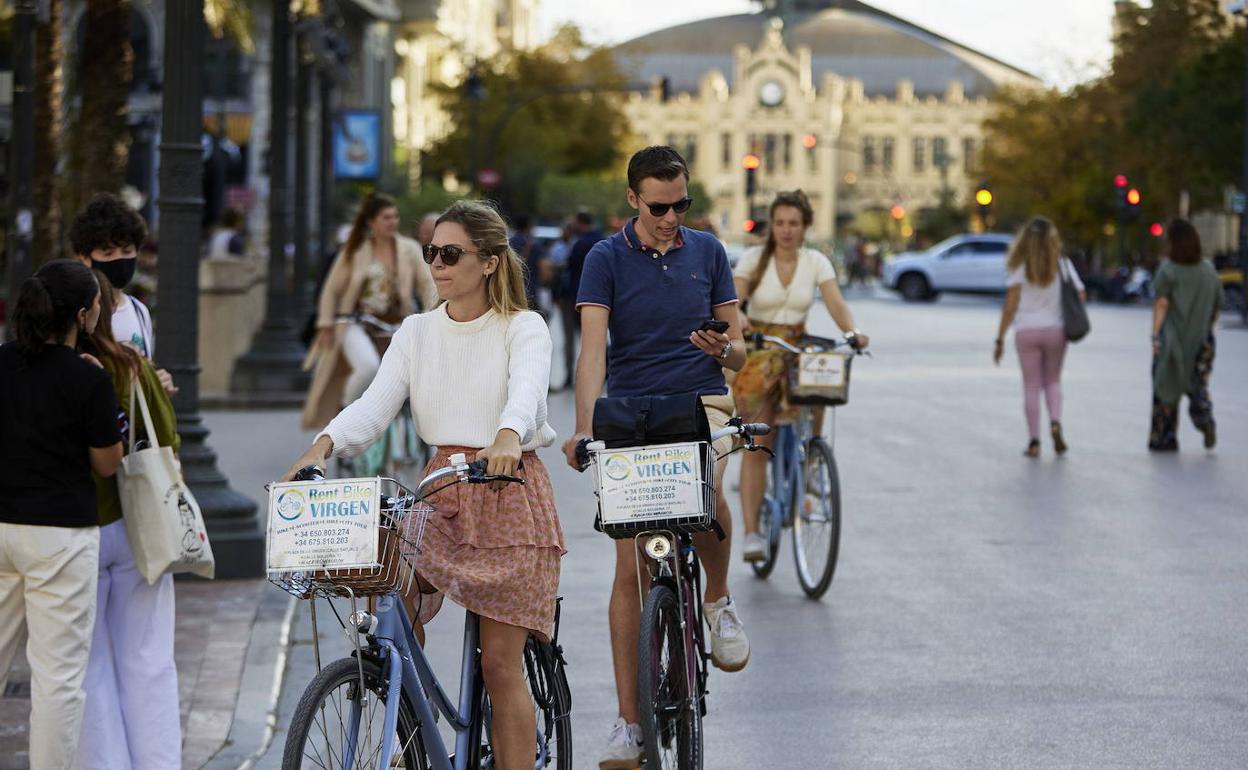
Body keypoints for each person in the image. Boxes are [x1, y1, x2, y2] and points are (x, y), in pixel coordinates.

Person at [284, 200, 564, 770]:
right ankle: (407, 728)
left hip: (506, 490)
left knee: (499, 665)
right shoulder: (416, 331)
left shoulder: (523, 326)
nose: (436, 263)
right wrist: (320, 448)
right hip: (440, 490)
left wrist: (509, 435)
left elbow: (529, 388)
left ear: (487, 262)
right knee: (390, 620)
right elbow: (374, 405)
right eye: (431, 252)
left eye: (450, 254)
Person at [559, 146, 751, 770]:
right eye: (660, 206)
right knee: (629, 570)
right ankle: (628, 726)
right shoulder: (604, 258)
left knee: (707, 492)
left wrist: (723, 350)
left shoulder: (710, 253)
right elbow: (592, 354)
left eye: (682, 204)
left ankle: (717, 599)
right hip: (633, 413)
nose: (672, 217)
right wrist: (585, 430)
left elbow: (742, 351)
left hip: (702, 400)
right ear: (634, 201)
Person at [0, 260, 123, 770]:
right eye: (96, 303)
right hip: (60, 538)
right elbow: (107, 461)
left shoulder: (0, 362)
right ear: (82, 314)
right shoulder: (86, 378)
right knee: (57, 679)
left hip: (0, 524)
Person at [72, 271, 182, 770]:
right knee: (149, 658)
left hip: (72, 529)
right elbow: (168, 439)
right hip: (137, 526)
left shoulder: (38, 369)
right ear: (95, 310)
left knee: (88, 666)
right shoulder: (129, 364)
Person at [732, 190, 870, 561]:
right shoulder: (753, 258)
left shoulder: (816, 261)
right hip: (759, 347)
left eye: (794, 223)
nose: (787, 230)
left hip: (796, 345)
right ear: (771, 226)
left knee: (821, 380)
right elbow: (733, 296)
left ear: (806, 226)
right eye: (780, 223)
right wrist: (738, 316)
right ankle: (752, 534)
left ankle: (812, 462)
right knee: (760, 441)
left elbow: (836, 301)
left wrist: (851, 332)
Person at [303, 191, 438, 431]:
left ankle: (404, 436)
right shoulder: (354, 251)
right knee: (368, 367)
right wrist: (326, 324)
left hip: (398, 322)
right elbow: (331, 291)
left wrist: (434, 312)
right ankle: (347, 413)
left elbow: (428, 284)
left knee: (412, 375)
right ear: (371, 222)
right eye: (386, 217)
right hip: (357, 323)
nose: (393, 222)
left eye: (395, 217)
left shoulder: (409, 248)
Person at [992, 217, 1085, 457]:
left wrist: (1000, 339)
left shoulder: (1020, 267)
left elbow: (1010, 307)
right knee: (1053, 381)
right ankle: (1055, 421)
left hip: (1026, 331)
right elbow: (1081, 294)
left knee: (1031, 386)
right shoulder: (1062, 264)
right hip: (1056, 330)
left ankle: (1034, 442)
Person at [69, 193, 175, 397]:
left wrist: (158, 384)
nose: (119, 260)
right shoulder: (78, 313)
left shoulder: (139, 311)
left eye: (127, 251)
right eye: (108, 253)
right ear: (85, 257)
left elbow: (145, 371)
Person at [1148, 219, 1224, 451]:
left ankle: (1165, 436)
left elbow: (1161, 303)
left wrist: (1155, 335)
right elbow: (1217, 305)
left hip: (1173, 338)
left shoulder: (1168, 270)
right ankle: (1204, 418)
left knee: (1165, 387)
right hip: (1202, 339)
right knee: (1197, 385)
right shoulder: (1209, 271)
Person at [560, 211, 605, 390]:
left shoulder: (580, 243)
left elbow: (568, 266)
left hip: (574, 296)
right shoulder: (601, 240)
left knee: (571, 338)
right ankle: (603, 372)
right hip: (600, 297)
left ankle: (570, 376)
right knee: (596, 339)